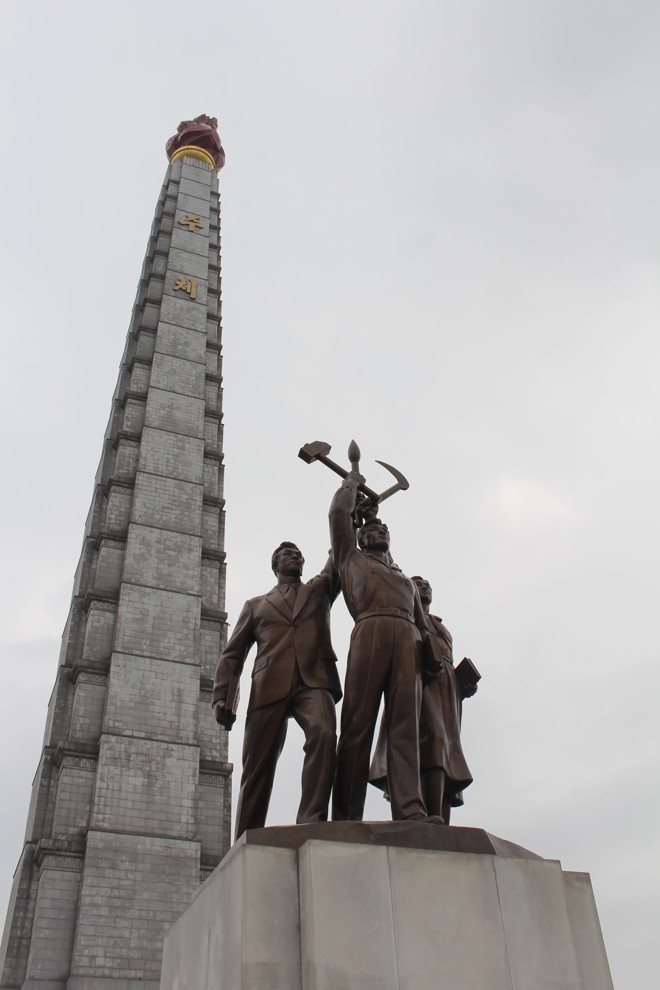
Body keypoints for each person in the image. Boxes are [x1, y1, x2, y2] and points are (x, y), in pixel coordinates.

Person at [213, 542, 341, 840]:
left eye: (298, 554)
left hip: (313, 680)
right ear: (275, 565)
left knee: (324, 734)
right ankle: (246, 837)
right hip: (269, 685)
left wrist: (351, 517)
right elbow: (233, 654)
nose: (294, 556)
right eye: (287, 554)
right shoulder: (256, 605)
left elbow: (339, 552)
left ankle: (312, 821)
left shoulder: (319, 589)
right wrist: (223, 696)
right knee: (258, 765)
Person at [329, 476, 437, 823]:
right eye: (372, 528)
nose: (380, 531)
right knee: (358, 724)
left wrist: (428, 646)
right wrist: (349, 487)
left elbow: (422, 619)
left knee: (405, 725)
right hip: (370, 629)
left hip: (408, 640)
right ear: (359, 537)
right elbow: (336, 517)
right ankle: (346, 815)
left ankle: (410, 808)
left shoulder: (402, 576)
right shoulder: (351, 559)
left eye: (384, 528)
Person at [369, 575, 477, 822]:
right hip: (419, 679)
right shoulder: (407, 619)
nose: (424, 587)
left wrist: (462, 686)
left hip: (447, 693)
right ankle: (427, 812)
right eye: (417, 584)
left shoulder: (442, 626)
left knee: (448, 752)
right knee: (433, 742)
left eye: (427, 584)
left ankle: (441, 817)